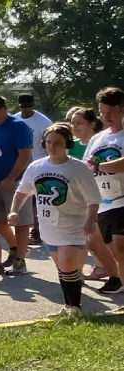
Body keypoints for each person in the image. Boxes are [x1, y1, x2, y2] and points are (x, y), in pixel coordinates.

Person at [10, 123, 101, 314]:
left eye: (57, 142)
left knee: (67, 265)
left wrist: (91, 220)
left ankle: (75, 307)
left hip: (74, 226)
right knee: (63, 268)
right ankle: (68, 306)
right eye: (49, 142)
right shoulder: (36, 167)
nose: (52, 146)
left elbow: (93, 199)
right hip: (48, 227)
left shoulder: (78, 168)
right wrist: (14, 211)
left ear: (67, 143)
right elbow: (22, 192)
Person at [0, 94, 34, 275]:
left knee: (20, 222)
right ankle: (14, 248)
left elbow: (25, 155)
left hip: (17, 182)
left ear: (3, 109)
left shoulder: (18, 126)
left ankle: (20, 261)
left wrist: (10, 179)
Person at [69, 107, 116, 282]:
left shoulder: (103, 142)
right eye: (72, 123)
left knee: (100, 240)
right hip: (82, 197)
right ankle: (86, 270)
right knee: (90, 239)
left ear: (92, 124)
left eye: (79, 123)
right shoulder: (71, 145)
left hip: (107, 197)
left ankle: (111, 271)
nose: (74, 126)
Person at [85, 86, 124, 295]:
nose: (106, 116)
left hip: (123, 200)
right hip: (105, 201)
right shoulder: (97, 138)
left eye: (112, 112)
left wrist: (101, 166)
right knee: (114, 250)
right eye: (102, 112)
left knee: (121, 246)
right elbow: (87, 166)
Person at [16, 94, 54, 246]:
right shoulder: (16, 119)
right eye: (23, 106)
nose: (26, 109)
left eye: (29, 106)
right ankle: (25, 229)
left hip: (39, 164)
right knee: (23, 198)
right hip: (21, 165)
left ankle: (38, 231)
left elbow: (48, 145)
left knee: (37, 201)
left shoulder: (43, 122)